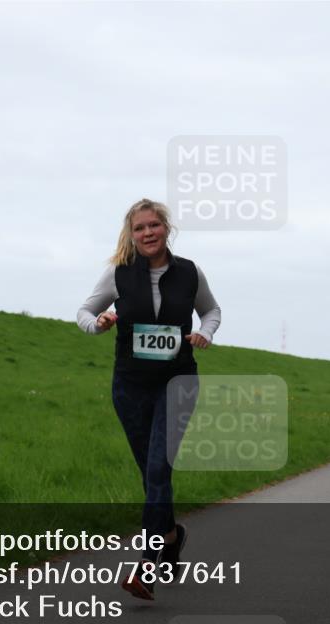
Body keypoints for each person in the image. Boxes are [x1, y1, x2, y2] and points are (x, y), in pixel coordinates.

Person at [77, 198, 221, 600]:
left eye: (154, 225)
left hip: (178, 382)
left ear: (166, 228)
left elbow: (211, 311)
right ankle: (171, 537)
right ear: (131, 233)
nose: (147, 233)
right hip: (130, 385)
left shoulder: (189, 272)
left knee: (158, 470)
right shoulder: (118, 274)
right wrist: (99, 324)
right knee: (151, 473)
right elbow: (85, 312)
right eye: (139, 228)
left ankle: (146, 564)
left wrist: (205, 333)